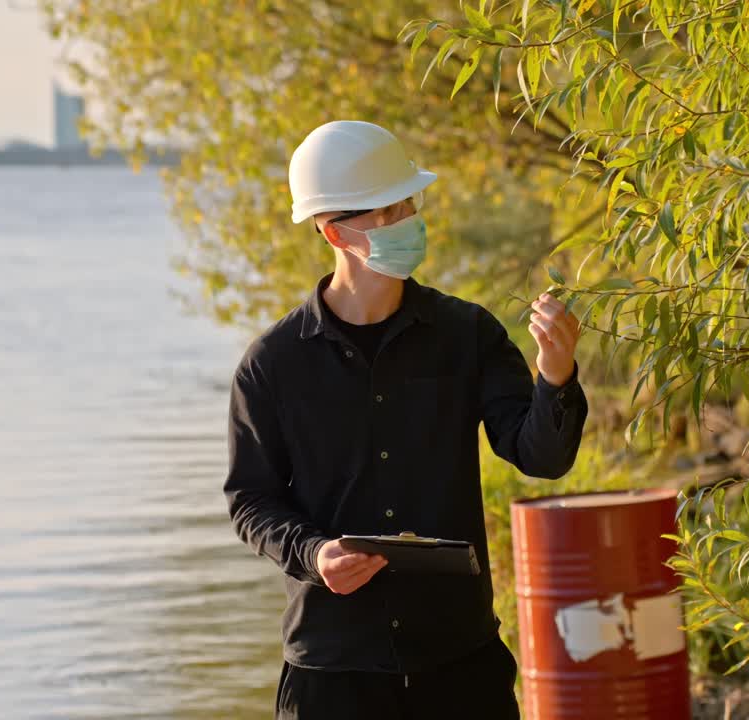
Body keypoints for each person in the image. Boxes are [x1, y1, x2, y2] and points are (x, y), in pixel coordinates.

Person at [222, 120, 588, 719]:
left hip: (459, 664)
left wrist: (555, 373)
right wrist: (314, 554)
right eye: (389, 211)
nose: (409, 221)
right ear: (335, 231)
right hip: (333, 675)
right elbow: (250, 501)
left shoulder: (467, 335)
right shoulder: (273, 364)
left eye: (409, 204)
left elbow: (542, 458)